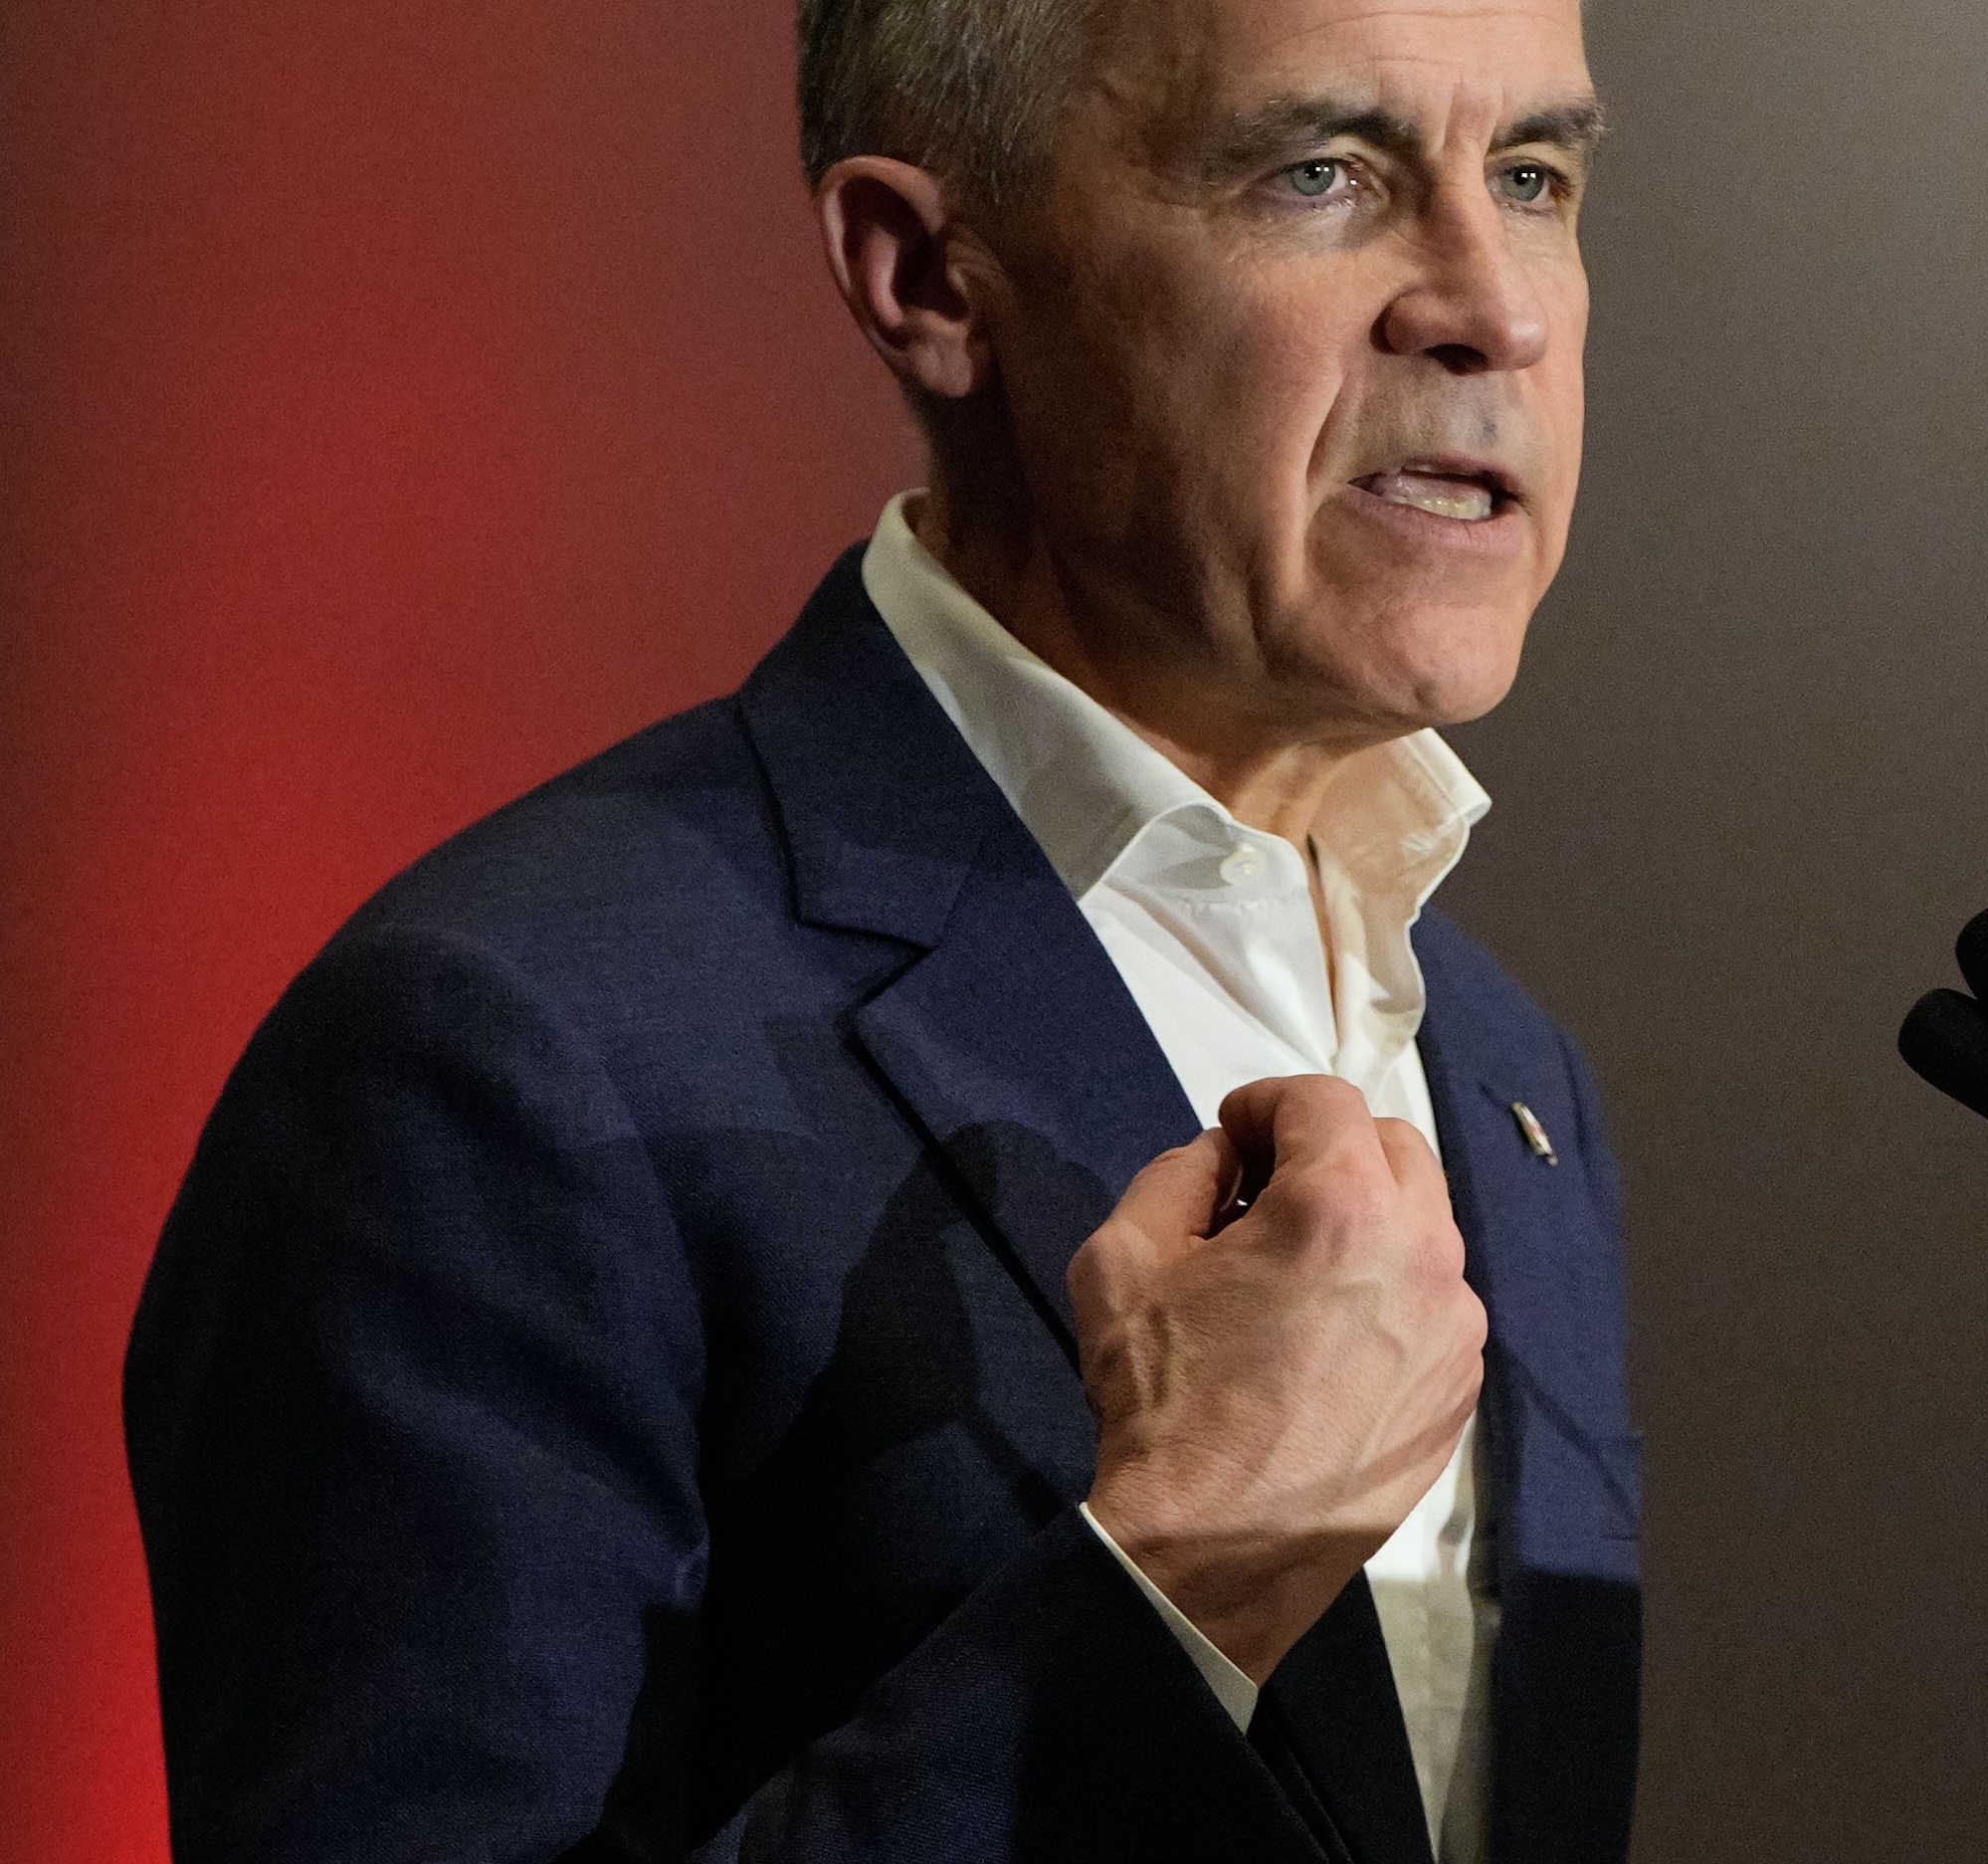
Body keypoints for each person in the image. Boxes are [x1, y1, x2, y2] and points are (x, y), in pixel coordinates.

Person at [120, 0, 1633, 1858]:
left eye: (1532, 178)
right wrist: (1173, 1588)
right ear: (925, 276)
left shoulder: (1506, 1074)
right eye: (1319, 174)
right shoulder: (495, 1058)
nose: (1496, 309)